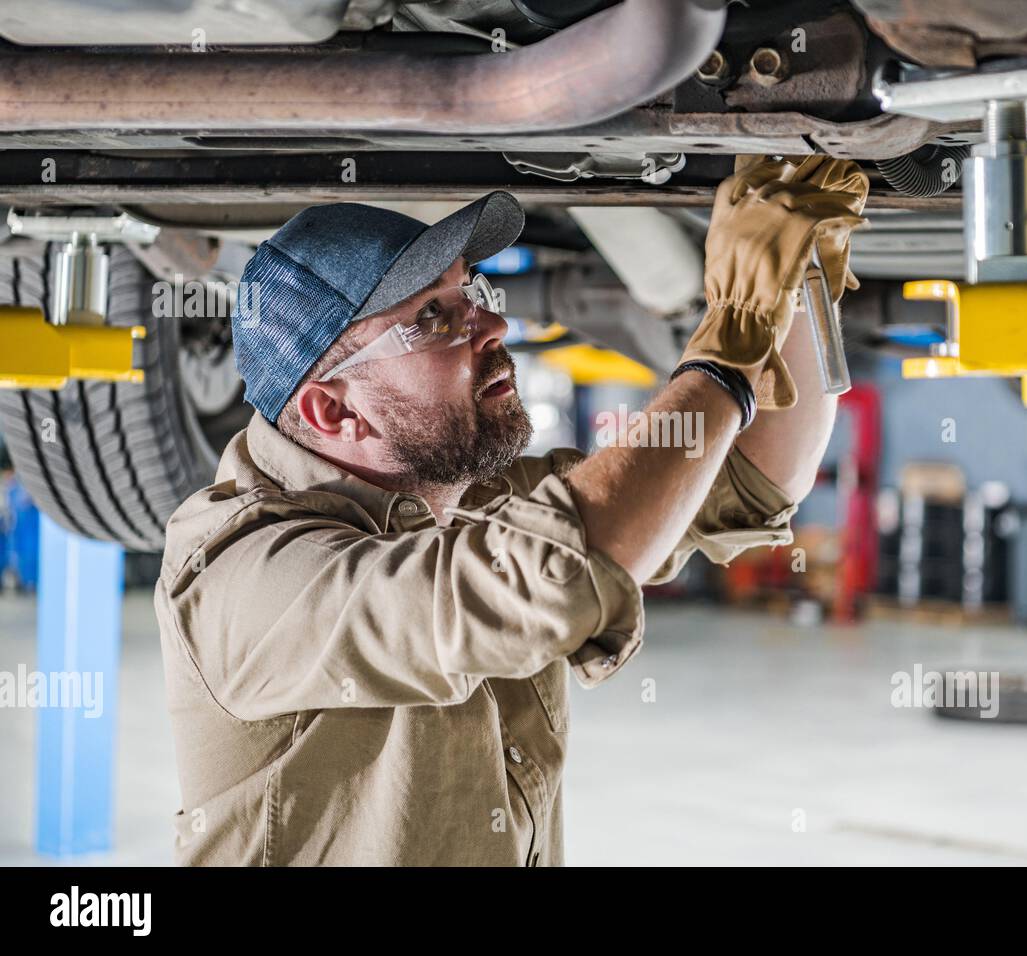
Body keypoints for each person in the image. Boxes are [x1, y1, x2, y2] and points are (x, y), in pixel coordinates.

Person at [155, 156, 868, 865]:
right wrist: (729, 345)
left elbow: (755, 474)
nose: (491, 325)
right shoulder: (245, 577)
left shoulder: (470, 501)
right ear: (333, 409)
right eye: (432, 318)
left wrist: (802, 280)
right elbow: (551, 577)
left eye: (470, 293)